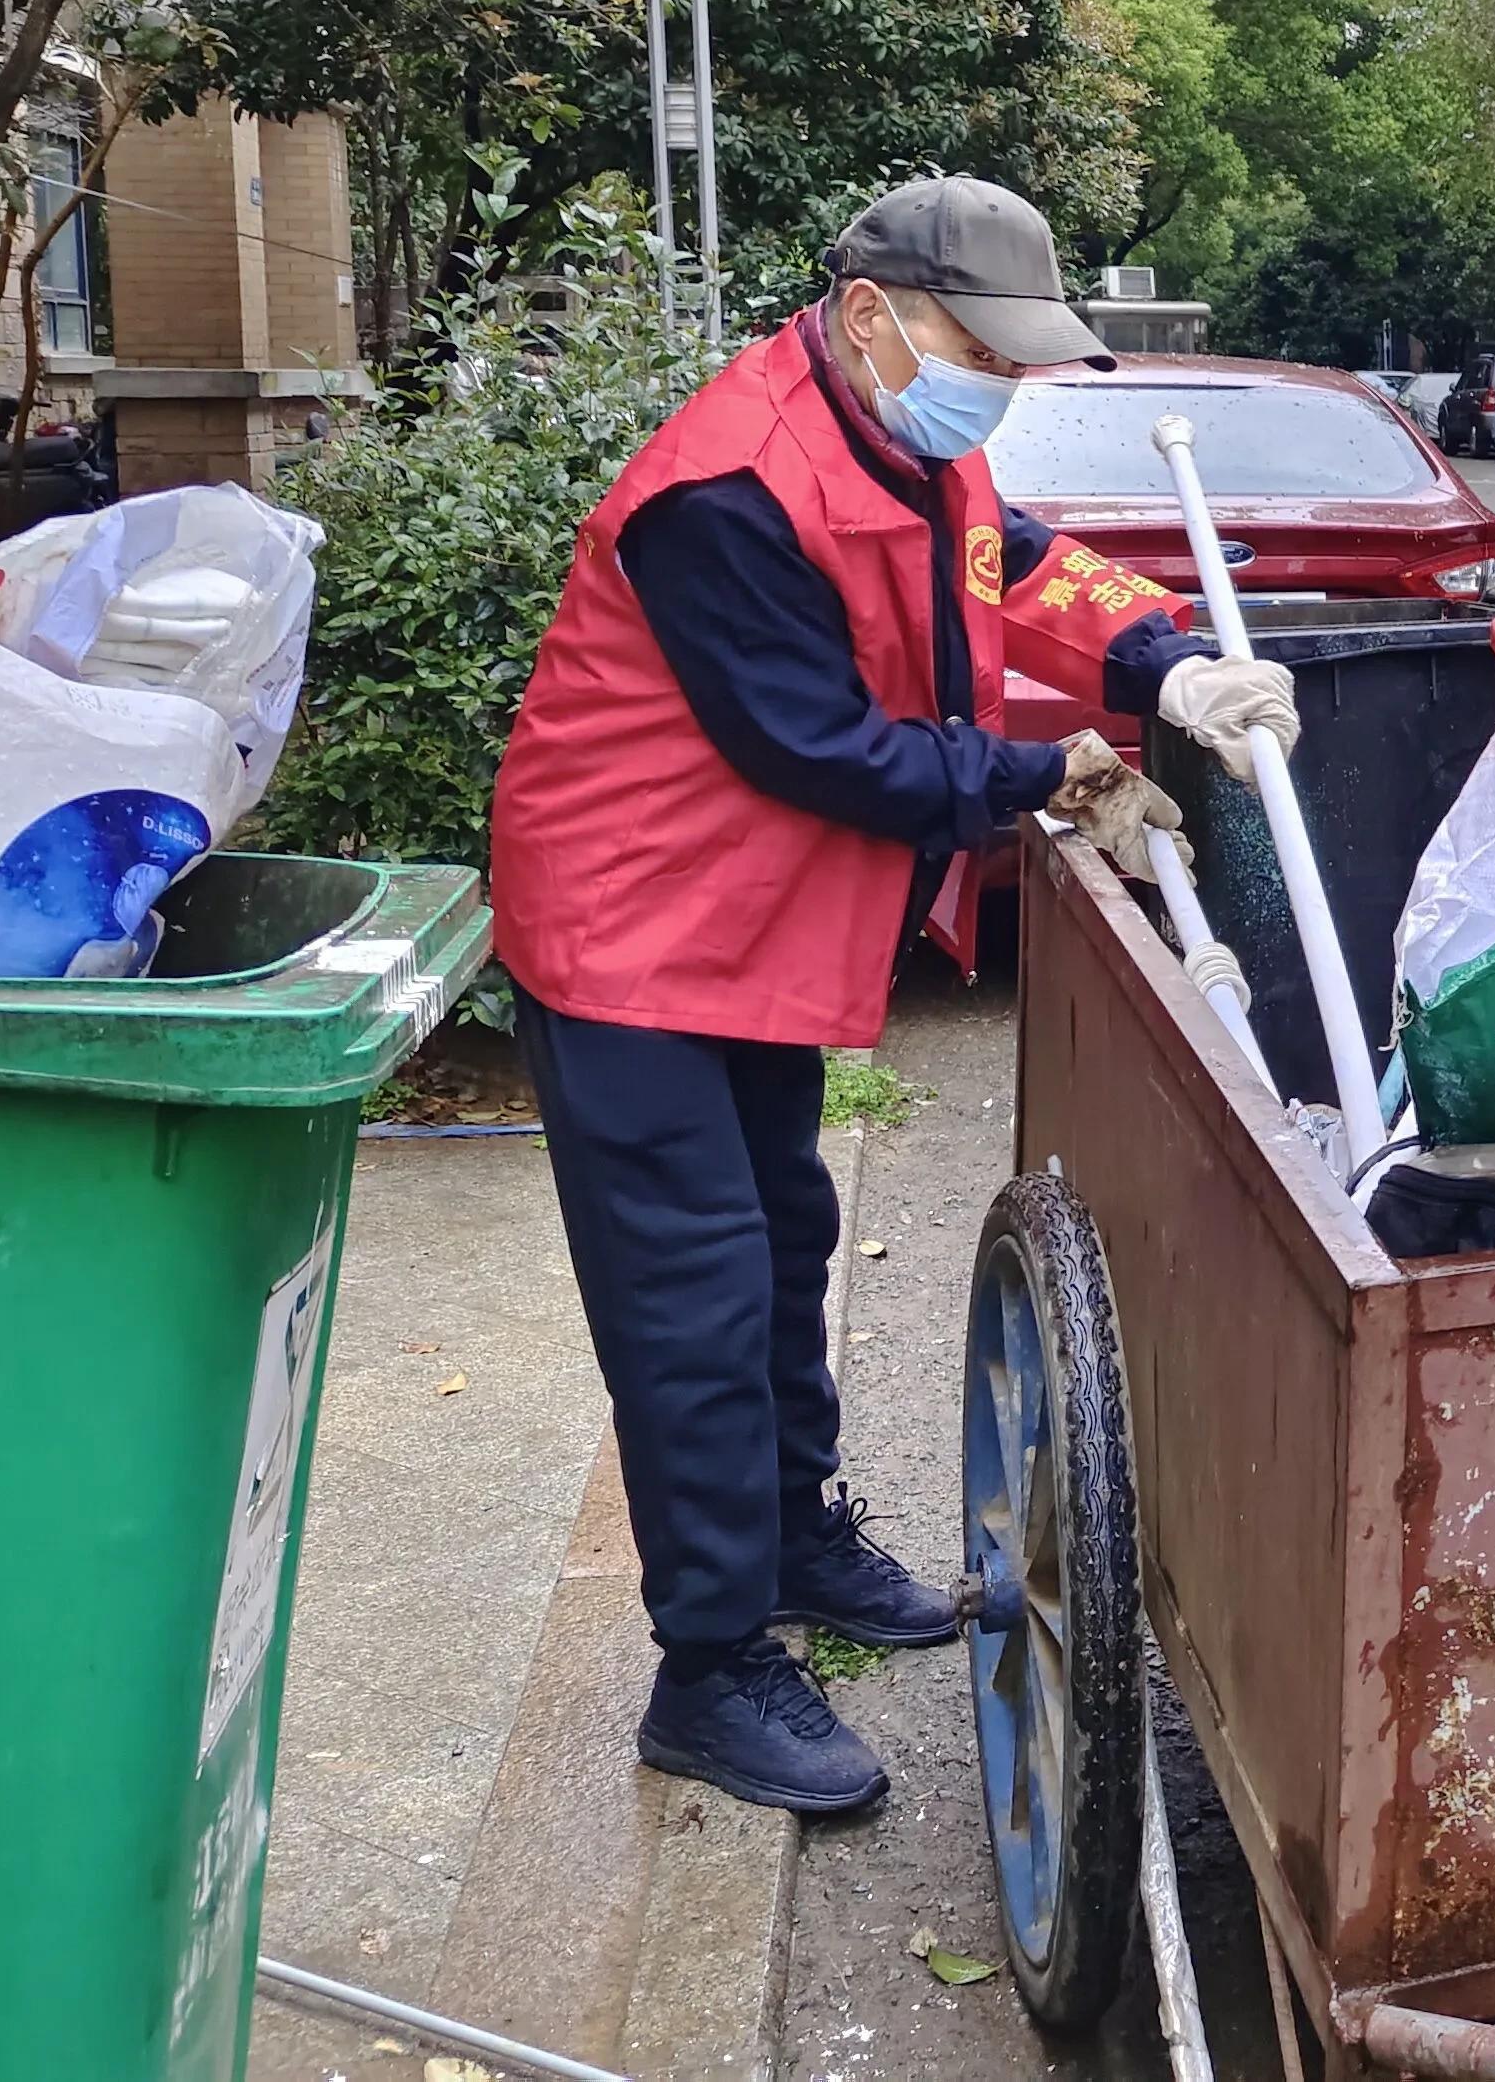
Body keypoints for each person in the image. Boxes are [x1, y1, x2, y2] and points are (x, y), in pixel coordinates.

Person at [490, 175, 1299, 1817]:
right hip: (631, 935)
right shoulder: (721, 490)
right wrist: (1047, 773)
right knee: (695, 1303)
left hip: (749, 927)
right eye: (978, 350)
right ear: (871, 319)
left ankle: (790, 1539)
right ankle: (708, 1669)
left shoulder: (912, 438)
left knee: (784, 1243)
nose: (999, 385)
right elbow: (820, 747)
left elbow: (1022, 564)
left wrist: (1165, 663)